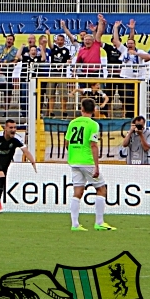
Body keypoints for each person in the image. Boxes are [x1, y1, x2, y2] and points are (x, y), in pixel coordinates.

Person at [65, 97, 114, 231]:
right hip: (87, 161)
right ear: (94, 110)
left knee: (77, 192)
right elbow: (93, 145)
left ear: (81, 109)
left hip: (74, 161)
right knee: (101, 189)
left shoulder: (73, 123)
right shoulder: (93, 125)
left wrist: (74, 154)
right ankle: (99, 222)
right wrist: (96, 165)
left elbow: (67, 143)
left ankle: (75, 224)